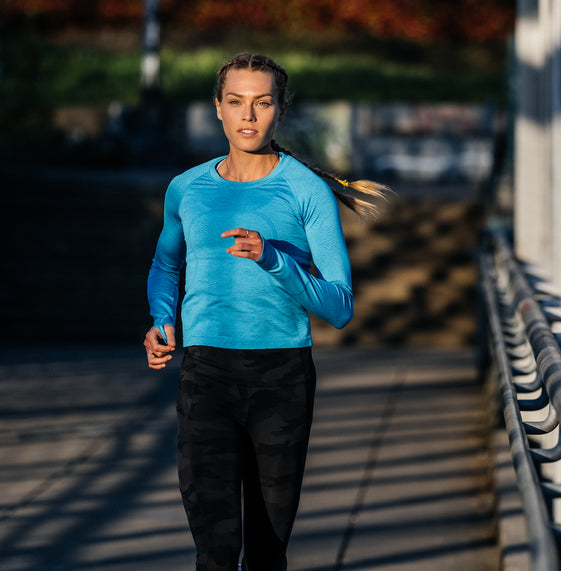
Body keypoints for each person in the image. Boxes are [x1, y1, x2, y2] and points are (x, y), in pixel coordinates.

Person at [144, 52, 389, 571]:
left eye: (261, 103)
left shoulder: (306, 191)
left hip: (281, 378)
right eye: (236, 102)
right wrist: (162, 320)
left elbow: (340, 306)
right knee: (213, 551)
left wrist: (273, 257)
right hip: (205, 374)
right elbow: (166, 266)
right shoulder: (187, 188)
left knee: (265, 551)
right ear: (218, 109)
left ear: (280, 110)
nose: (248, 116)